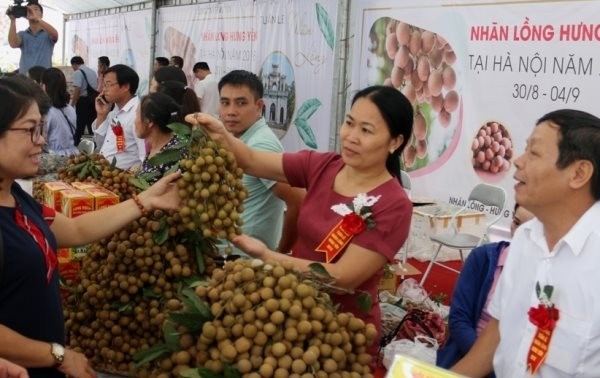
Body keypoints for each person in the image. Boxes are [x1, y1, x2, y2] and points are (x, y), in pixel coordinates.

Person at [186, 84, 414, 354]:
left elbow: (343, 278)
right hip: (289, 310)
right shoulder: (322, 165)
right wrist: (221, 134)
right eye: (349, 123)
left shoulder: (393, 204)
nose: (351, 136)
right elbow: (249, 160)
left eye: (366, 130)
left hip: (340, 332)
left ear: (395, 142)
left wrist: (267, 256)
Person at [0, 76, 182, 378]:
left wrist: (146, 200)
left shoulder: (15, 196)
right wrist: (57, 355)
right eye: (31, 130)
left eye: (41, 129)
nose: (41, 140)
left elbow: (76, 230)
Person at [452, 109, 600, 377]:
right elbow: (496, 334)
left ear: (579, 173)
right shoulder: (524, 240)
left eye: (534, 153)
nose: (518, 162)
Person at [214, 70, 305, 256]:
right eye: (225, 103)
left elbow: (298, 201)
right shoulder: (238, 140)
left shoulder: (261, 145)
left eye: (241, 103)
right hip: (226, 260)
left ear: (259, 106)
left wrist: (281, 253)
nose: (231, 111)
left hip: (245, 264)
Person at [437, 203, 534, 371]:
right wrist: (485, 364)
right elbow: (459, 319)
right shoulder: (483, 258)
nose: (519, 233)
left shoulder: (551, 278)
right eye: (516, 223)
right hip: (469, 355)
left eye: (529, 228)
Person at [92, 64, 145, 170]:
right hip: (106, 176)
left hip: (124, 179)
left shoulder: (138, 114)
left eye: (108, 84)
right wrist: (101, 115)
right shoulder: (114, 111)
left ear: (125, 87)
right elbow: (100, 144)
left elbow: (145, 156)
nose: (103, 89)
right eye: (103, 84)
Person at [134, 92, 187, 184]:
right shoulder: (157, 147)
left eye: (137, 115)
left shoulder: (174, 155)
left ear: (149, 121)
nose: (134, 121)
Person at [6, 2, 58, 75]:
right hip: (25, 79)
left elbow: (55, 34)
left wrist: (37, 19)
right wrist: (12, 20)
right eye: (28, 9)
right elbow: (13, 44)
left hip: (43, 79)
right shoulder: (23, 34)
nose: (32, 11)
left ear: (42, 14)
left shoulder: (47, 33)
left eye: (36, 9)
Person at [40, 68, 78, 156]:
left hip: (54, 158)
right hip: (73, 155)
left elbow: (42, 140)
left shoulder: (46, 112)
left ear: (44, 87)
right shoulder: (70, 108)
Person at [69, 56, 98, 145]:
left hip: (83, 101)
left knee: (80, 123)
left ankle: (76, 143)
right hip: (93, 100)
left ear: (74, 64)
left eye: (72, 66)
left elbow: (77, 90)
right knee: (92, 123)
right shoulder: (92, 72)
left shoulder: (78, 72)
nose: (73, 68)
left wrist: (72, 104)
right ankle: (96, 143)